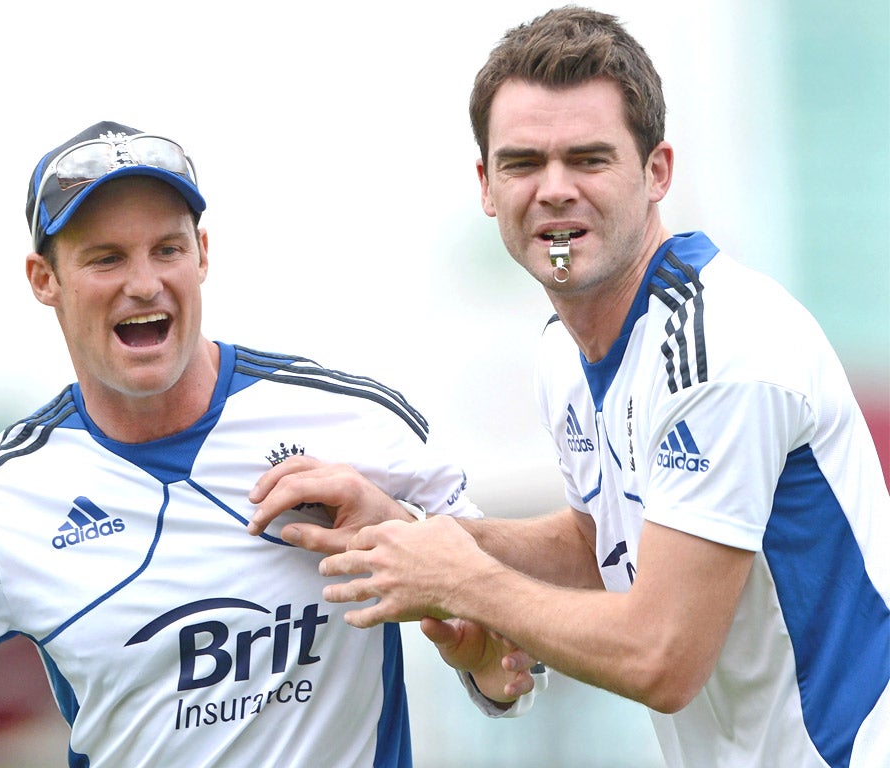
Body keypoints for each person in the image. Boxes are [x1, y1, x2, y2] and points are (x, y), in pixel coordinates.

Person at [250, 8, 890, 767]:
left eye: (588, 159)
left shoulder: (719, 346)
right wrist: (414, 533)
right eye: (524, 163)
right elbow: (604, 544)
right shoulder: (565, 351)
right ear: (487, 186)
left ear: (657, 172)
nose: (554, 191)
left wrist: (466, 579)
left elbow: (662, 656)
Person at [0, 120, 537, 767]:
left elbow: (510, 632)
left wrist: (488, 662)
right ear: (45, 280)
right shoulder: (0, 501)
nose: (144, 283)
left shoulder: (350, 421)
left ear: (203, 254)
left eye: (167, 249)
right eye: (107, 258)